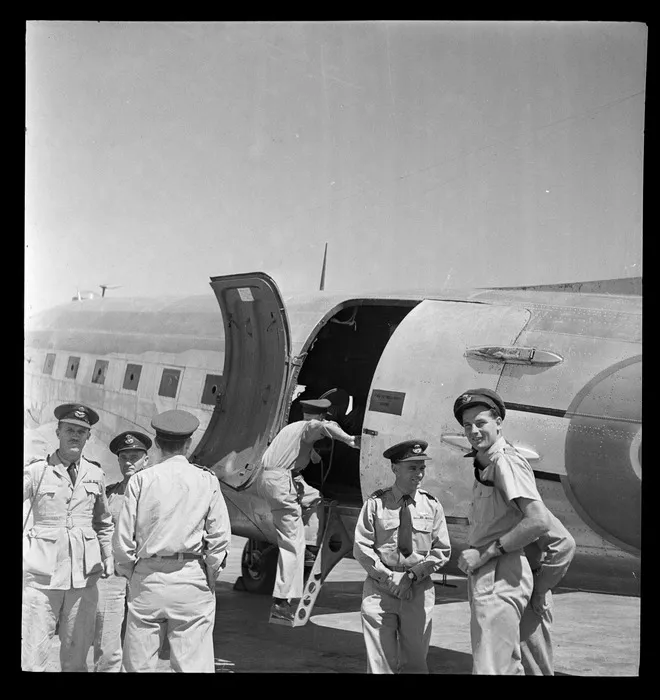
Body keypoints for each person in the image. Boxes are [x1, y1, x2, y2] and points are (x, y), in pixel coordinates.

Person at [113, 410, 231, 673]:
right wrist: (211, 573)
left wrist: (132, 573)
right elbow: (219, 536)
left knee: (137, 665)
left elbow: (122, 539)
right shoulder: (206, 479)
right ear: (188, 443)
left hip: (147, 578)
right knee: (193, 665)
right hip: (191, 578)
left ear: (156, 442)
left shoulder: (141, 480)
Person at [454, 388, 554, 675]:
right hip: (491, 573)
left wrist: (485, 554)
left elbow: (539, 521)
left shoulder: (504, 462)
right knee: (499, 665)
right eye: (467, 425)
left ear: (498, 422)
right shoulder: (486, 462)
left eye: (481, 422)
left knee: (492, 669)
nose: (473, 431)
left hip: (500, 572)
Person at [22, 403, 114, 671]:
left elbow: (103, 522)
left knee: (76, 653)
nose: (75, 436)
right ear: (58, 432)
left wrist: (107, 555)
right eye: (70, 430)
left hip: (83, 578)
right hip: (42, 579)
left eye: (81, 432)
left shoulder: (96, 474)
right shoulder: (37, 471)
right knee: (33, 654)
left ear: (89, 437)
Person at [256, 397, 360, 622]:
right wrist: (351, 440)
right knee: (292, 543)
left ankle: (312, 547)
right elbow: (322, 427)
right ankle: (281, 602)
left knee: (315, 499)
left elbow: (307, 455)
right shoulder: (310, 427)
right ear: (321, 415)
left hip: (281, 478)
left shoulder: (292, 429)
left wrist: (312, 454)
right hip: (281, 482)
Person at [353, 440, 451, 674]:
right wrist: (388, 578)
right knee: (380, 663)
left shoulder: (432, 506)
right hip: (380, 589)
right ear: (395, 468)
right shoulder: (376, 504)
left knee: (415, 662)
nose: (419, 474)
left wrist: (410, 576)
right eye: (412, 468)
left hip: (417, 590)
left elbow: (441, 550)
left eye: (421, 468)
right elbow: (361, 547)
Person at [93, 430, 152, 672]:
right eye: (124, 457)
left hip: (146, 571)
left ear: (146, 459)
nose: (129, 461)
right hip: (115, 575)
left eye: (135, 456)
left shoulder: (156, 490)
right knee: (106, 637)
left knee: (142, 641)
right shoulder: (109, 493)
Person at [520, 514, 576, 675]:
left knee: (533, 666)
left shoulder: (525, 506)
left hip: (527, 594)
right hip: (502, 591)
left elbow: (564, 543)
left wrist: (539, 589)